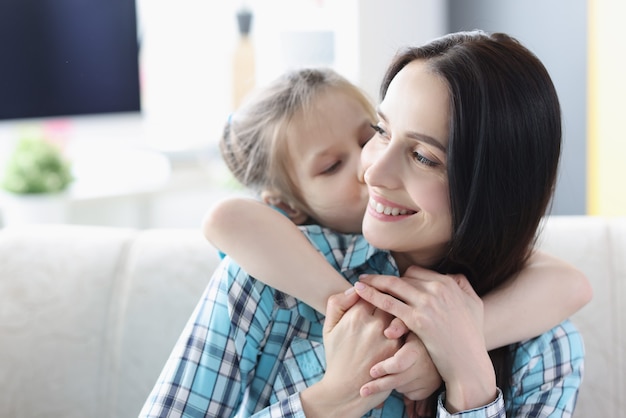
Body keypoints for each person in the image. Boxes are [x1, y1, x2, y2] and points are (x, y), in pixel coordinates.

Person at [140, 34, 590, 417]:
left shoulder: (543, 346)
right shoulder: (270, 280)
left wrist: (468, 376)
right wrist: (326, 402)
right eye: (381, 130)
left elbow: (567, 283)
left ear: (496, 188)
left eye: (423, 157)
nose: (371, 171)